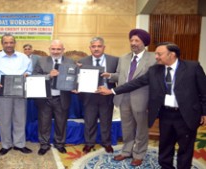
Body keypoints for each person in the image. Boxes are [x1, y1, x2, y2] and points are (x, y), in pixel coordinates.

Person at [97, 42, 206, 169]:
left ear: (172, 54)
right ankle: (166, 166)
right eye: (156, 54)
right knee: (165, 144)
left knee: (186, 146)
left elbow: (204, 91)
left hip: (186, 114)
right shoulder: (155, 70)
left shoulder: (192, 67)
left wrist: (204, 112)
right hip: (166, 113)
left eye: (160, 54)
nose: (156, 57)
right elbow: (135, 83)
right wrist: (112, 91)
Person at [101, 29, 155, 166]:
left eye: (137, 40)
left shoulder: (153, 58)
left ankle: (139, 153)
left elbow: (152, 81)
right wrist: (110, 75)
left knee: (141, 128)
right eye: (131, 40)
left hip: (142, 99)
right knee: (127, 127)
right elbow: (121, 75)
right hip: (123, 97)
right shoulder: (124, 57)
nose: (133, 43)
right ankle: (126, 151)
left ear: (144, 42)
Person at [0, 33, 33, 156]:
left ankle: (19, 144)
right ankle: (6, 145)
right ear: (2, 44)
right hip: (2, 90)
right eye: (6, 42)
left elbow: (29, 70)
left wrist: (27, 74)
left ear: (15, 43)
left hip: (19, 89)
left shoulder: (24, 57)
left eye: (11, 42)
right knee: (4, 119)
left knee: (20, 118)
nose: (9, 45)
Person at [78, 37, 118, 154]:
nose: (96, 49)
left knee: (106, 121)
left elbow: (120, 75)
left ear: (103, 47)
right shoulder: (83, 61)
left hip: (106, 95)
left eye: (99, 46)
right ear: (90, 48)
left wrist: (110, 75)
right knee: (89, 121)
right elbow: (78, 78)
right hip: (89, 96)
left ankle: (106, 143)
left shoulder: (114, 60)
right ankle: (89, 143)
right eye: (93, 46)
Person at [33, 40, 74, 155]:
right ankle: (44, 144)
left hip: (62, 97)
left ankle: (60, 143)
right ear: (49, 49)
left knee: (61, 122)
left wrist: (75, 85)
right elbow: (34, 77)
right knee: (44, 122)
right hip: (45, 98)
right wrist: (48, 76)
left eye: (58, 49)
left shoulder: (70, 61)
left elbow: (74, 77)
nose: (56, 52)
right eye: (53, 49)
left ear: (63, 50)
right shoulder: (41, 61)